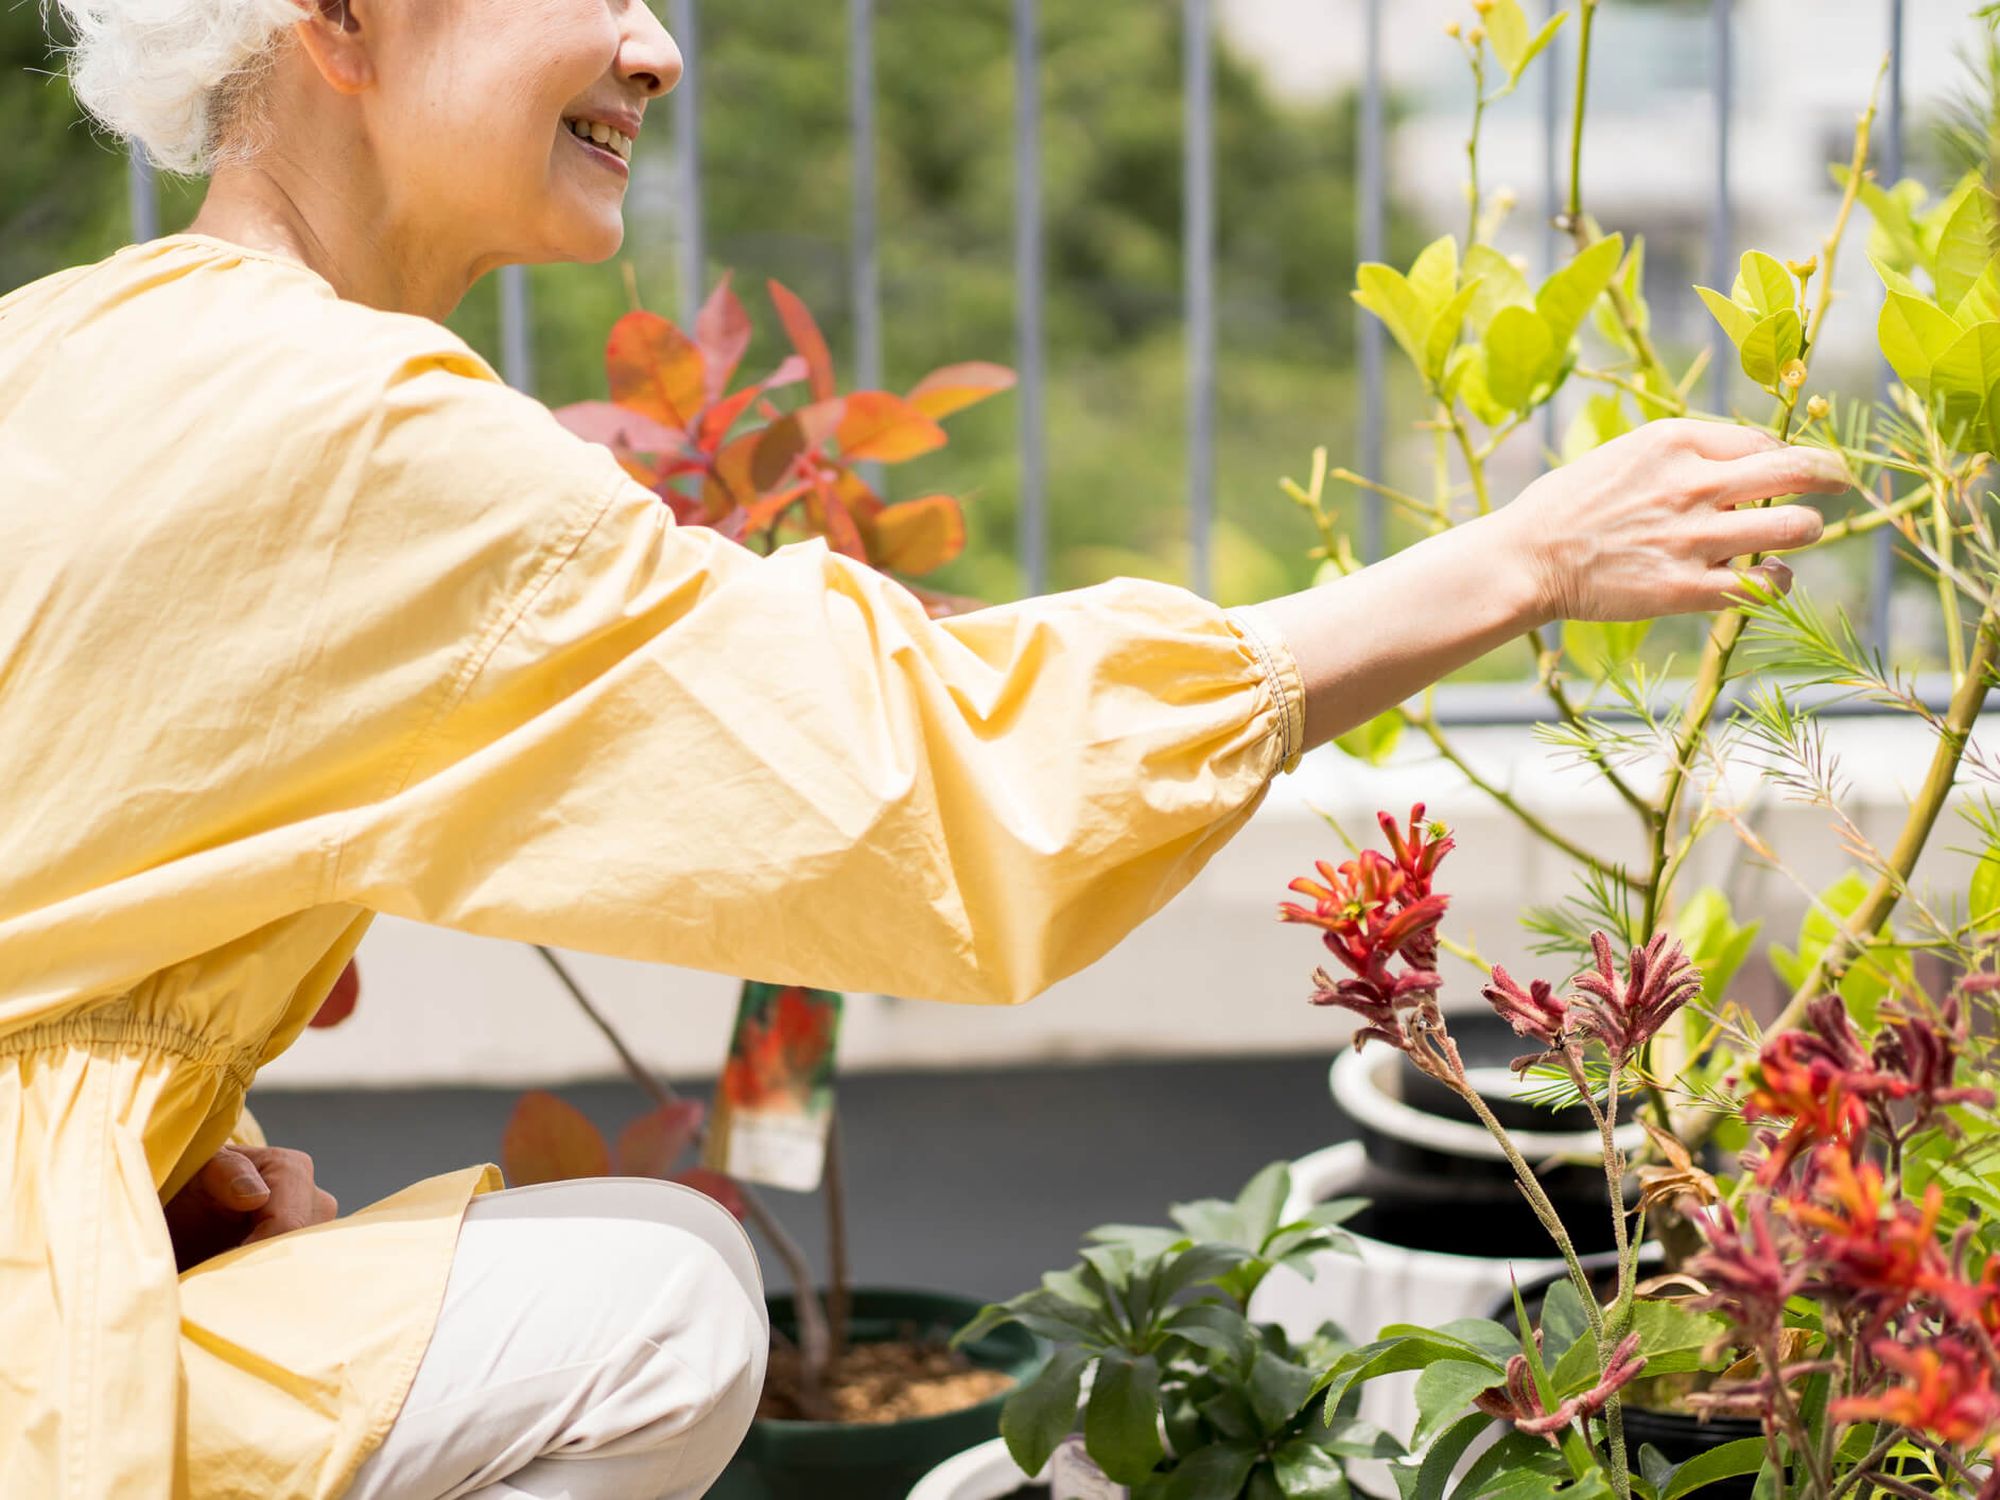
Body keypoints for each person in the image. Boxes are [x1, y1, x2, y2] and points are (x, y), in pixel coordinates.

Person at [0, 0, 1845, 1496]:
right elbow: (918, 774)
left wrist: (175, 1149)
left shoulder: (69, 343)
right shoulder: (351, 429)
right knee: (661, 1305)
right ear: (339, 15)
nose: (657, 49)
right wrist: (1516, 561)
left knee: (664, 1246)